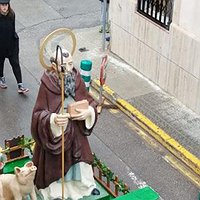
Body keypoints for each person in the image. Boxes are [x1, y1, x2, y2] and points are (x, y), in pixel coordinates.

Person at [31, 47, 100, 200]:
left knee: (81, 158)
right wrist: (52, 120)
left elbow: (89, 101)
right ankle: (55, 191)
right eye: (64, 66)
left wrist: (88, 112)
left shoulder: (76, 79)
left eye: (70, 64)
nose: (69, 69)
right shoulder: (47, 84)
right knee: (56, 162)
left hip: (75, 130)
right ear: (54, 66)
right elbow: (38, 114)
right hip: (58, 134)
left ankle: (84, 186)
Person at [0, 0, 29, 93]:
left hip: (12, 45)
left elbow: (13, 29)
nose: (5, 7)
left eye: (6, 5)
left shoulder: (12, 15)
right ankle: (1, 78)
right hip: (1, 47)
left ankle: (20, 85)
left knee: (15, 64)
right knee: (0, 63)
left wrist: (15, 43)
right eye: (2, 5)